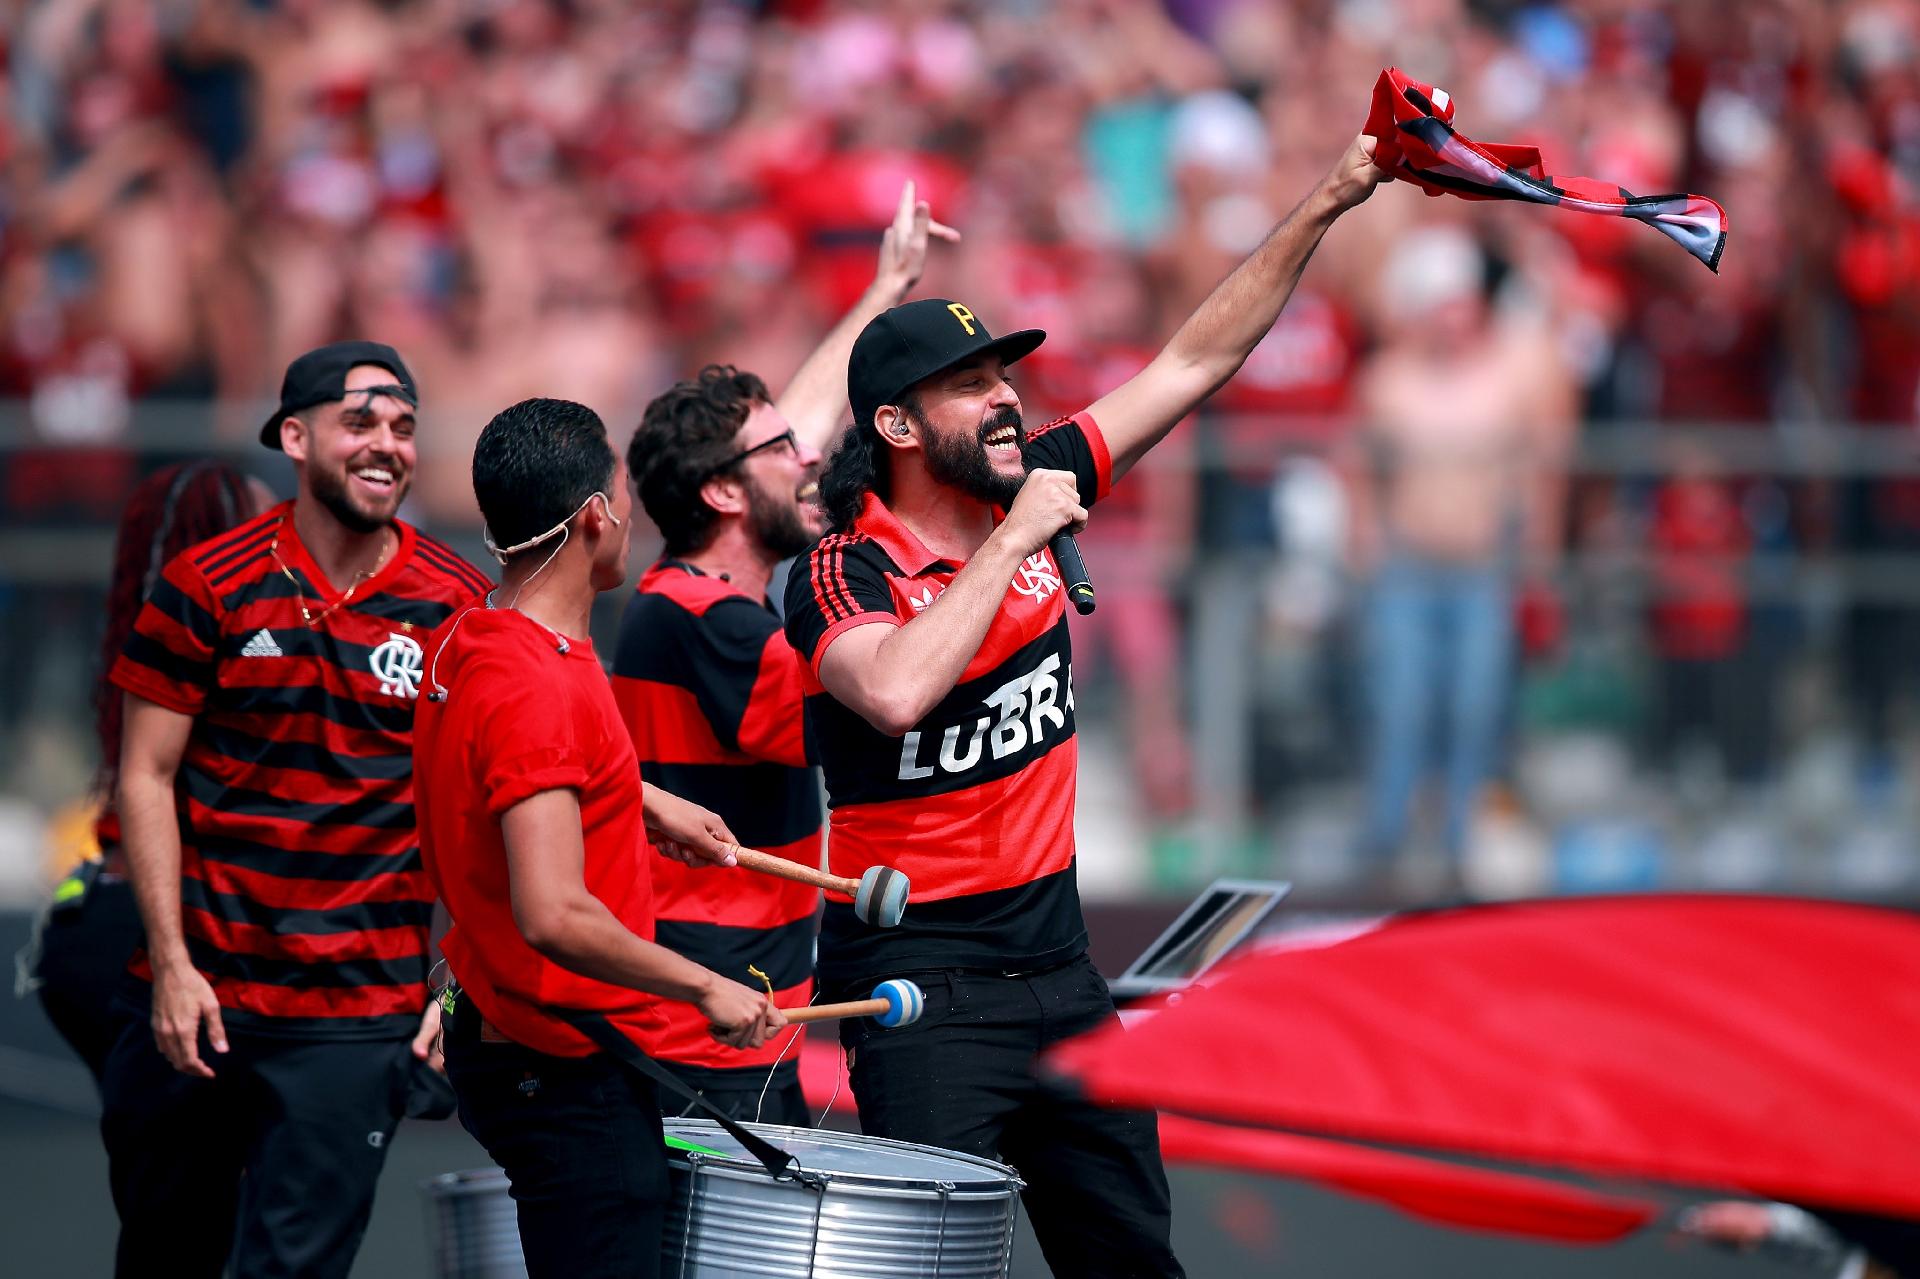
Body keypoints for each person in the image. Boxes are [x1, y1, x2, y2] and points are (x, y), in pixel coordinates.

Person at [782, 134, 1387, 1277]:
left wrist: (1330, 197)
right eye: (972, 388)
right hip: (922, 992)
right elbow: (896, 691)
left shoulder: (1036, 480)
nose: (1007, 401)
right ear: (899, 428)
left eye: (1005, 378)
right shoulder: (839, 569)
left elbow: (1196, 360)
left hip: (1062, 976)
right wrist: (1013, 540)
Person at [102, 341, 492, 1279]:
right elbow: (144, 775)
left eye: (403, 425)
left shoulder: (459, 604)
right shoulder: (207, 582)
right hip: (201, 1002)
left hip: (356, 1018)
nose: (387, 443)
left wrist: (453, 982)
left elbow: (481, 805)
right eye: (360, 421)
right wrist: (171, 968)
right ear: (295, 437)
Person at [415, 397, 785, 1279]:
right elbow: (553, 913)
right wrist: (706, 985)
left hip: (520, 1039)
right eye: (621, 494)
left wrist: (637, 798)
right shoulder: (533, 687)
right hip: (560, 1063)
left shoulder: (475, 629)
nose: (631, 514)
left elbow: (506, 777)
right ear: (593, 516)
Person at [614, 183, 954, 1123]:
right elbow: (888, 695)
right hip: (712, 1028)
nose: (810, 461)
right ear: (724, 495)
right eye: (781, 456)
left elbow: (790, 431)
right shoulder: (712, 622)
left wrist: (884, 289)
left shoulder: (682, 598)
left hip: (720, 1008)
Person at [20, 461, 266, 1089]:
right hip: (175, 936)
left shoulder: (146, 635)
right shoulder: (229, 645)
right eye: (269, 528)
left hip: (103, 919)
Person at [1343, 225, 1575, 885]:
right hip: (1408, 569)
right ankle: (1384, 843)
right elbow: (1354, 462)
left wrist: (1539, 556)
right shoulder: (1389, 379)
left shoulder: (1509, 376)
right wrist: (1366, 538)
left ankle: (1460, 847)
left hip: (1481, 569)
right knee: (1400, 707)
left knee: (1475, 709)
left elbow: (1541, 472)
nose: (1454, 319)